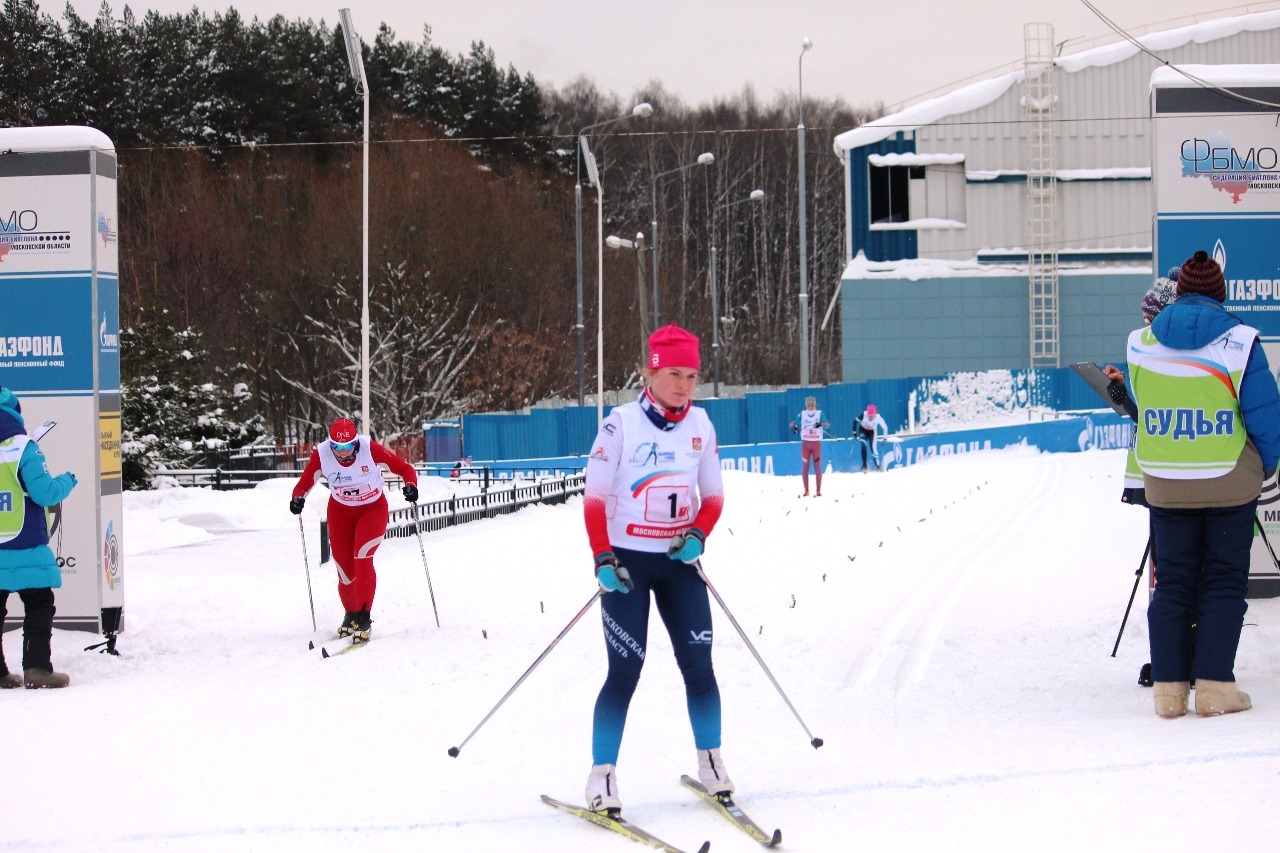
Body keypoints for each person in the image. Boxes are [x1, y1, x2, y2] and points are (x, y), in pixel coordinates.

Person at [581, 323, 731, 815]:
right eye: (673, 373)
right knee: (625, 669)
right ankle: (602, 776)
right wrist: (602, 557)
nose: (684, 384)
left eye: (691, 374)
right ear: (651, 370)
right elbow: (595, 499)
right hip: (626, 565)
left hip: (677, 564)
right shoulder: (619, 424)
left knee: (700, 666)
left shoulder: (701, 426)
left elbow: (713, 497)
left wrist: (698, 534)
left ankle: (711, 761)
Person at [1126, 249, 1280, 718]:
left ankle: (1169, 692)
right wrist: (1267, 466)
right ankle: (1214, 688)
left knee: (1172, 583)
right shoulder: (1241, 342)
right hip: (1230, 481)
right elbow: (1265, 415)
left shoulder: (1140, 343)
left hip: (1166, 484)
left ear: (1180, 292)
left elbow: (1141, 399)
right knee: (1223, 581)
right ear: (1220, 294)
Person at [290, 418, 419, 643]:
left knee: (362, 556)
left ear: (356, 443)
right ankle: (351, 616)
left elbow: (404, 469)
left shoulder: (369, 449)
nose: (342, 452)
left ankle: (364, 617)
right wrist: (297, 499)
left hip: (372, 509)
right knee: (344, 568)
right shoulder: (321, 454)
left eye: (348, 446)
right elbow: (303, 484)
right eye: (337, 447)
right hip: (340, 512)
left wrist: (411, 486)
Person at [0, 388, 78, 689]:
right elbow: (45, 493)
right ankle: (37, 669)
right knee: (38, 603)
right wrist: (67, 480)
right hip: (25, 542)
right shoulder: (24, 448)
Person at [1105, 275, 1178, 505]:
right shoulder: (1149, 356)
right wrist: (1122, 393)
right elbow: (1146, 419)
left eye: (1149, 320)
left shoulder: (1180, 363)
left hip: (1171, 478)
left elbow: (1164, 421)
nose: (1144, 327)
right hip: (1156, 477)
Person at [789, 396, 829, 496]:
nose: (810, 408)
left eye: (812, 405)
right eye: (808, 406)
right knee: (805, 468)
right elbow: (792, 423)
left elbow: (828, 425)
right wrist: (794, 427)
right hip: (805, 444)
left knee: (817, 468)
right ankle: (806, 490)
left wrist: (820, 424)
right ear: (806, 406)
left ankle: (818, 490)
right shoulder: (803, 414)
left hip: (816, 444)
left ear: (815, 405)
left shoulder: (819, 413)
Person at [855, 404, 888, 472]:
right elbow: (854, 422)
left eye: (872, 416)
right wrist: (854, 432)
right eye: (869, 415)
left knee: (873, 448)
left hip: (872, 431)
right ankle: (864, 466)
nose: (870, 417)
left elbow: (885, 428)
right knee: (864, 445)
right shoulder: (864, 414)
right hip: (863, 430)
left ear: (875, 414)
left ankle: (878, 466)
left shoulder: (879, 418)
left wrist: (885, 438)